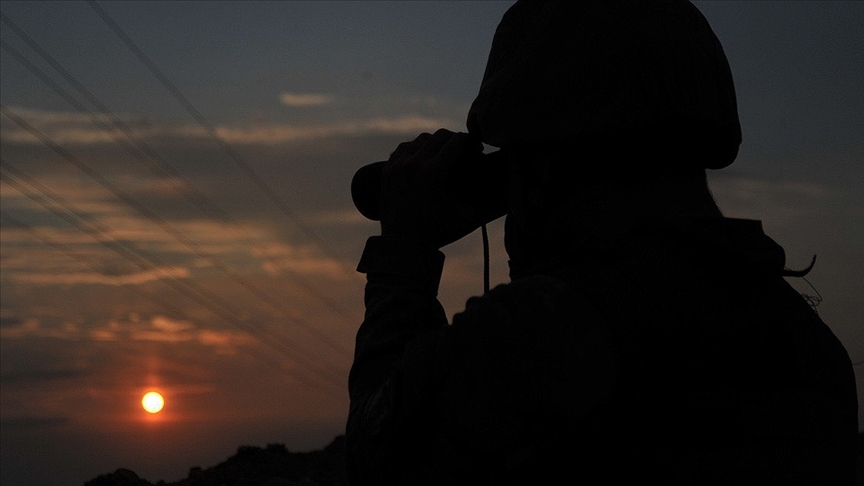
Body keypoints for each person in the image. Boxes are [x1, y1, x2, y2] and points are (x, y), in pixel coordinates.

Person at [345, 1, 859, 484]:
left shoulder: (552, 329)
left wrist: (405, 252)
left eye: (518, 158)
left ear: (544, 165)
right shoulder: (810, 347)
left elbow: (381, 457)